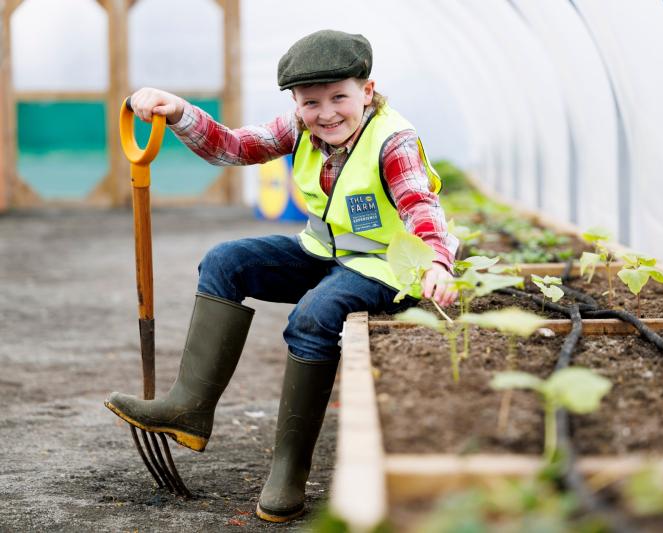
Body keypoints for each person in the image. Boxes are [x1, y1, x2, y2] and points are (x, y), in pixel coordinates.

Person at [104, 29, 459, 522]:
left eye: (340, 97)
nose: (327, 113)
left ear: (367, 91)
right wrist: (180, 112)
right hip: (324, 251)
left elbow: (420, 205)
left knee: (315, 315)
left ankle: (289, 471)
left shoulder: (391, 141)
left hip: (386, 266)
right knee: (226, 261)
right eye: (311, 102)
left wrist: (437, 261)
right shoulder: (299, 125)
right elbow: (233, 147)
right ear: (296, 101)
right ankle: (189, 409)